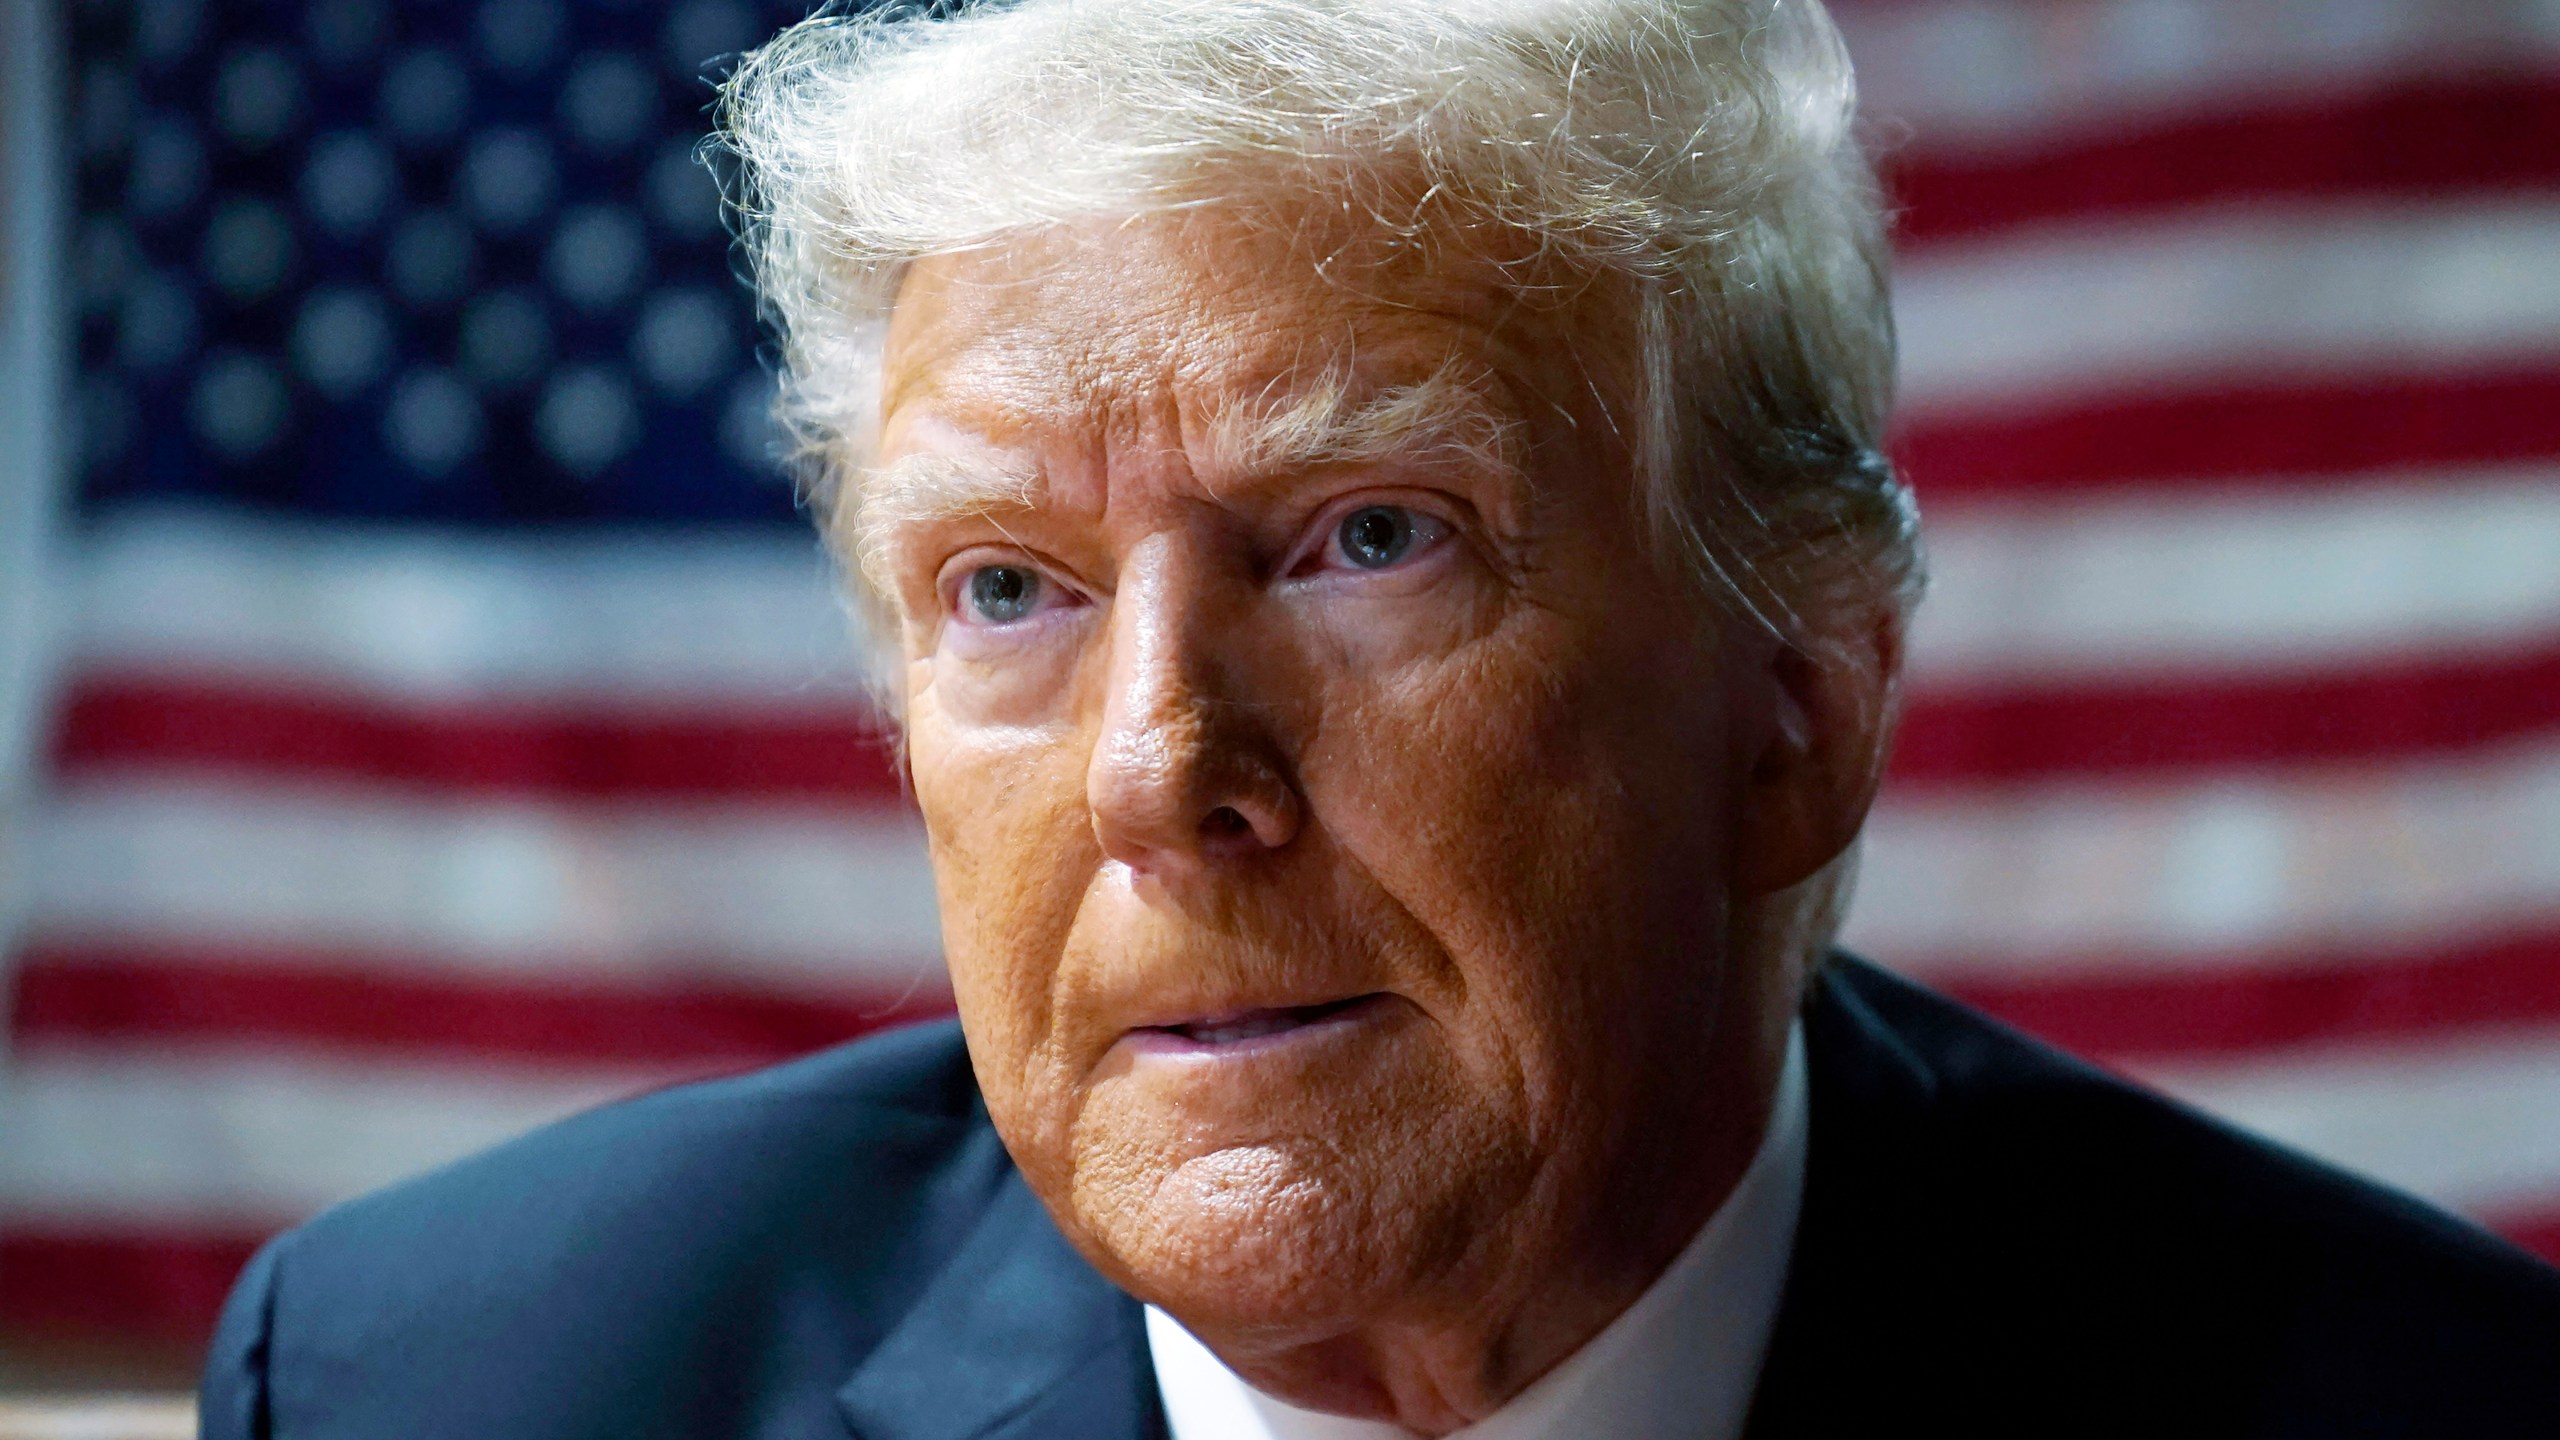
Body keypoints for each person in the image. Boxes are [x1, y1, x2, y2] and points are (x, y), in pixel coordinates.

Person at [200, 0, 2560, 1435]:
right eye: (1004, 586)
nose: (1155, 770)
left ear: (1799, 698)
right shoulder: (455, 1391)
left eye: (1365, 538)